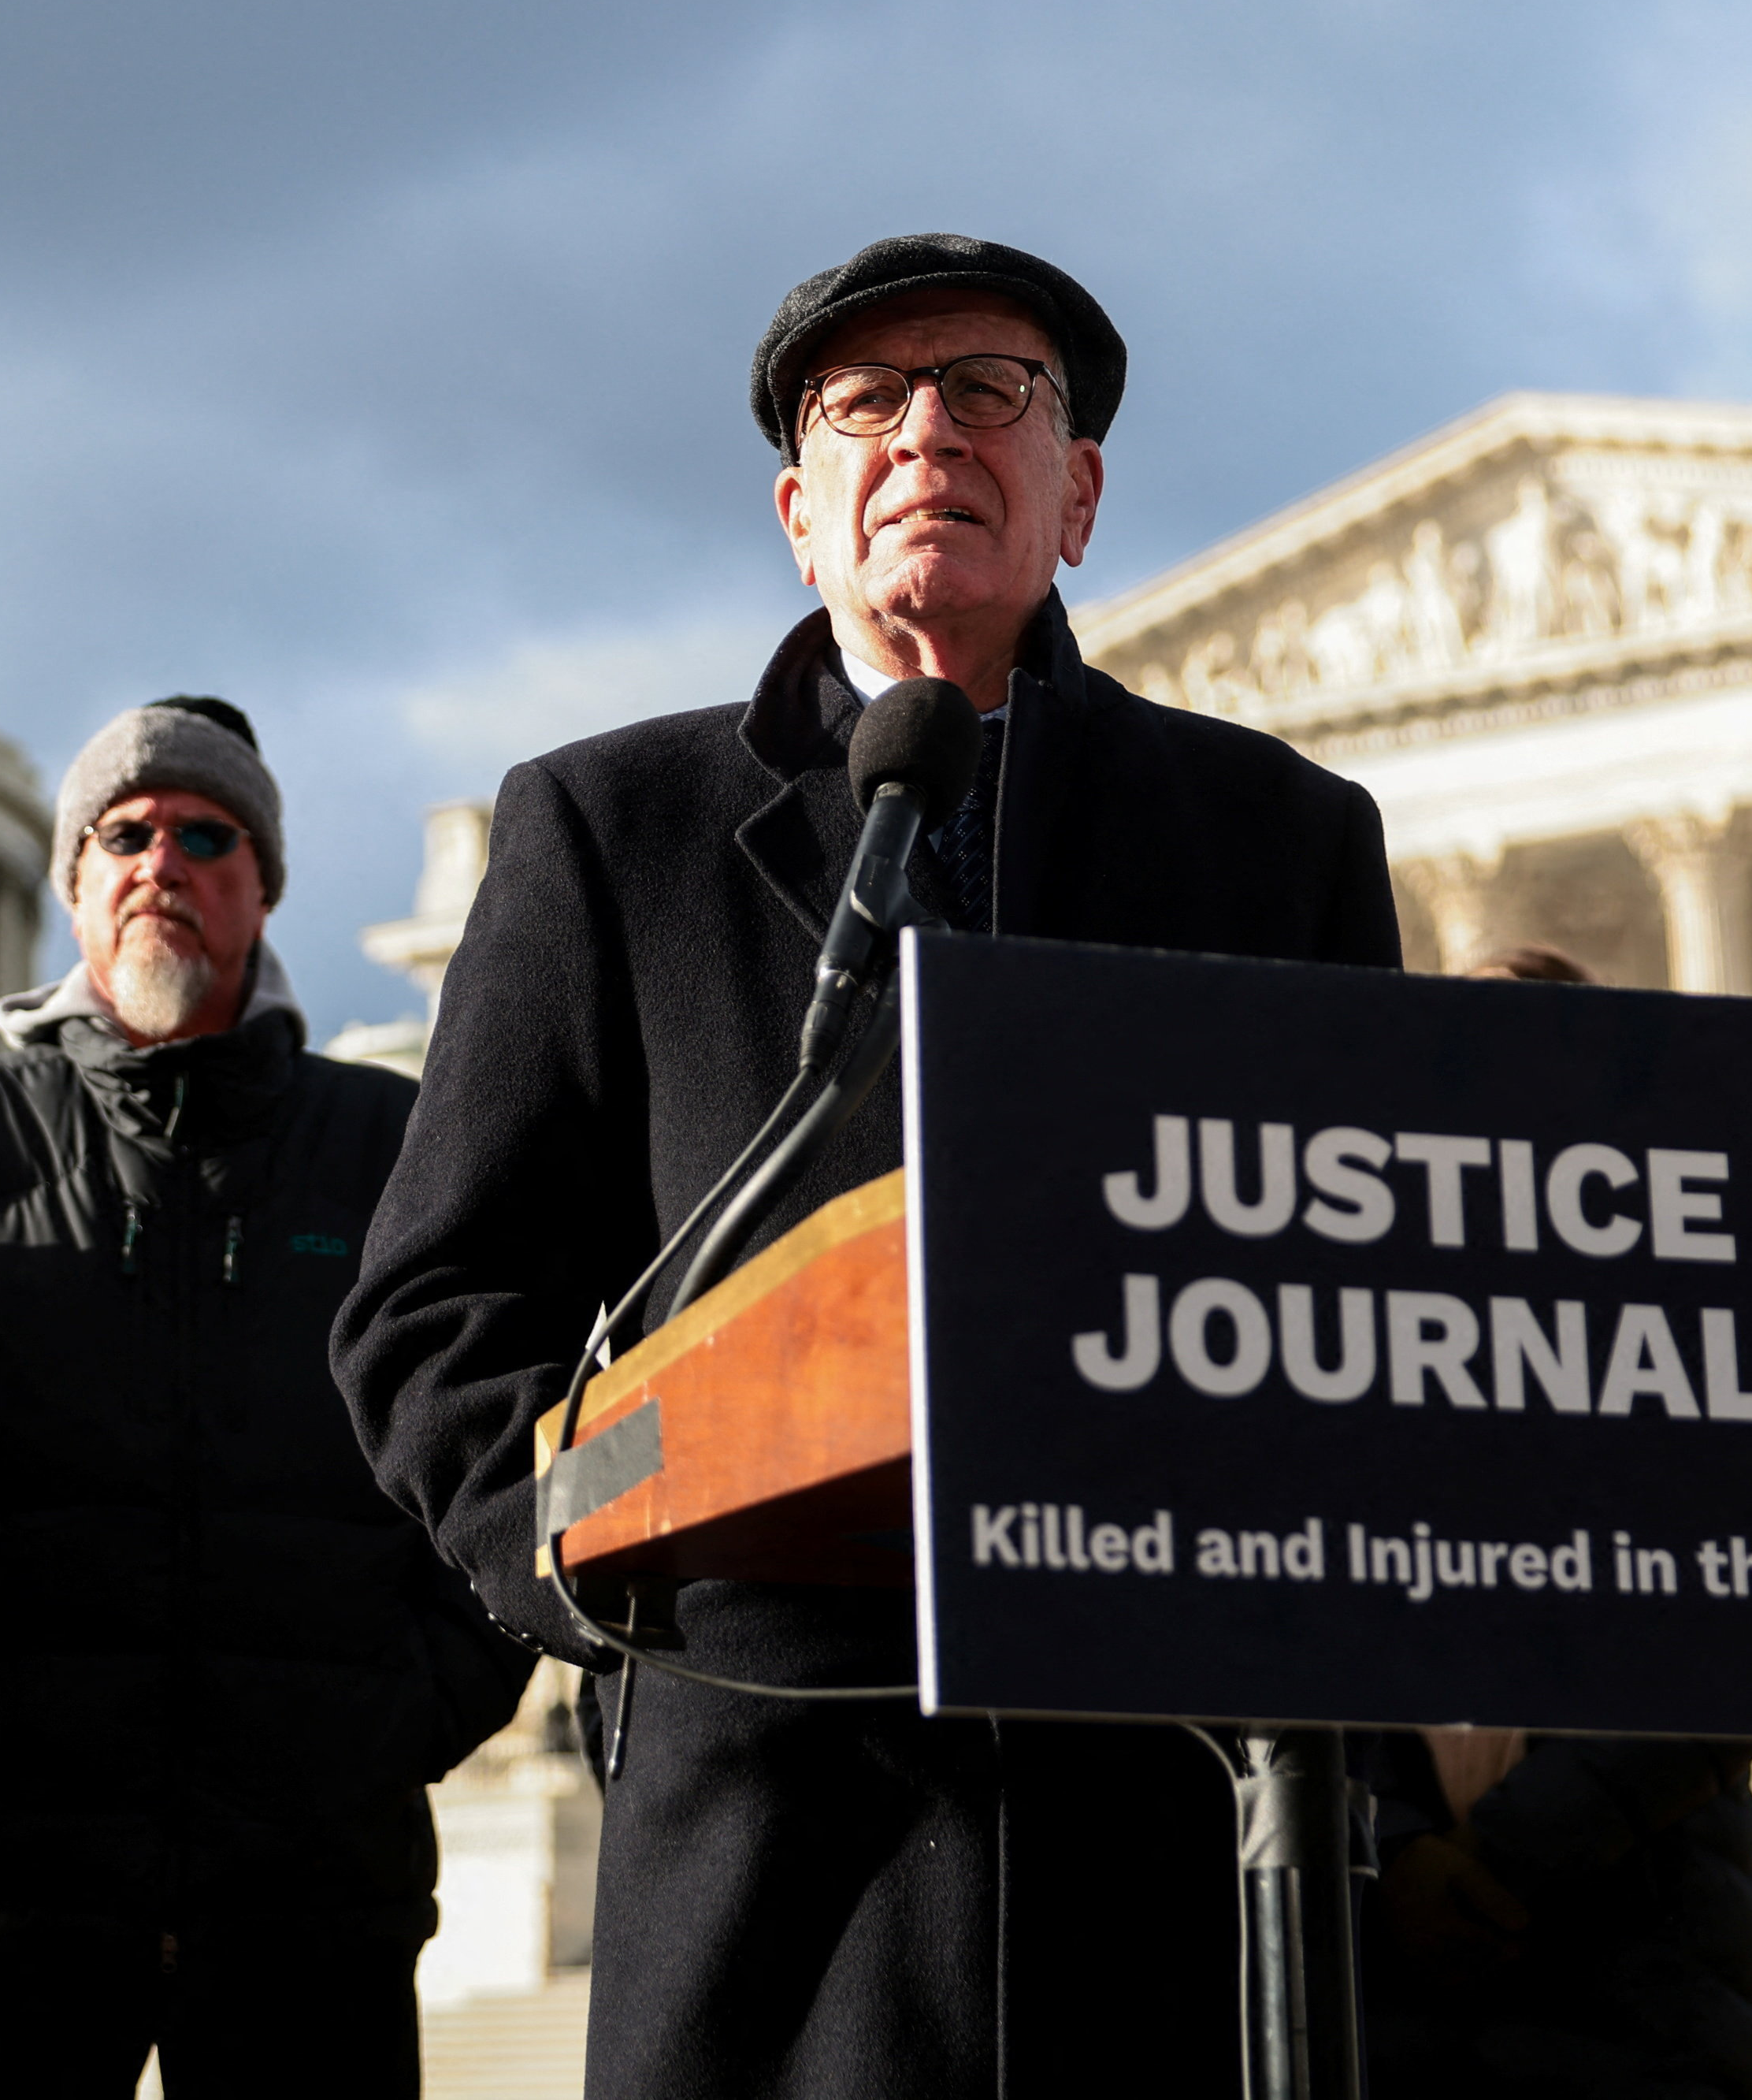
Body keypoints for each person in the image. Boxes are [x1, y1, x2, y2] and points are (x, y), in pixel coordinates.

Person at [330, 232, 1405, 2099]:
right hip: (761, 1852)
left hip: (1161, 1849)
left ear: (1076, 496)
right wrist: (618, 1575)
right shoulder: (610, 831)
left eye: (989, 390)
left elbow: (1374, 1306)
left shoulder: (1274, 842)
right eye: (865, 402)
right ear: (796, 515)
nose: (926, 433)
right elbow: (432, 1313)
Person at [0, 697, 533, 2100]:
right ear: (75, 882)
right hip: (5, 1889)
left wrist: (415, 1715)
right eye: (123, 834)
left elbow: (488, 1449)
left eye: (208, 836)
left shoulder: (386, 1145)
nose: (163, 862)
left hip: (316, 1891)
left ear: (262, 886)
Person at [1366, 942, 1752, 2100]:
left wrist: (1507, 1852)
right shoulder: (1352, 1340)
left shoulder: (1700, 1323)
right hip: (1405, 1993)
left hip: (1642, 1976)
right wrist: (1389, 1845)